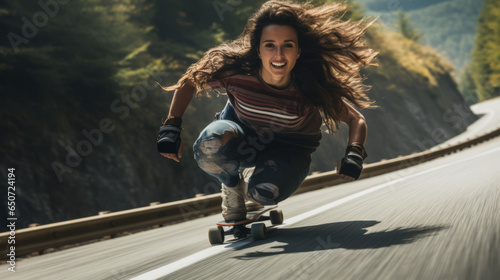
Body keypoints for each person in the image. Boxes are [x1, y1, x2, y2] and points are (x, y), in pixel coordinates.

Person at [157, 0, 376, 222]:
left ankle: (257, 185)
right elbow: (190, 82)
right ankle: (232, 187)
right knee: (210, 145)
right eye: (270, 45)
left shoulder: (310, 87)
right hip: (241, 133)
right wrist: (171, 127)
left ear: (298, 51)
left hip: (291, 149)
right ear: (258, 49)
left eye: (287, 45)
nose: (278, 55)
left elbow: (355, 119)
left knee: (265, 191)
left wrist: (354, 154)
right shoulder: (235, 72)